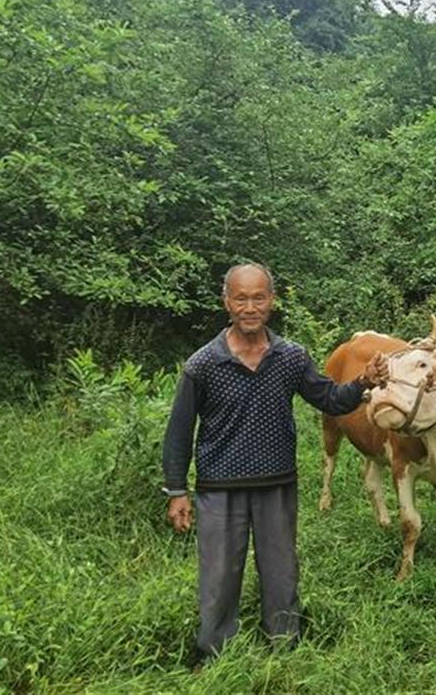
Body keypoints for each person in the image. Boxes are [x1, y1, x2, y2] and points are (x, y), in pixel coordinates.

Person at [161, 262, 388, 658]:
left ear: (272, 301)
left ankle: (285, 647)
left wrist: (363, 382)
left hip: (276, 485)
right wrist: (177, 490)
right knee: (218, 576)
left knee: (281, 573)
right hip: (219, 488)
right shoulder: (203, 364)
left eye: (259, 297)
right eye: (241, 298)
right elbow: (179, 431)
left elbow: (329, 399)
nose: (250, 307)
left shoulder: (290, 357)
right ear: (227, 302)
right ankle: (213, 653)